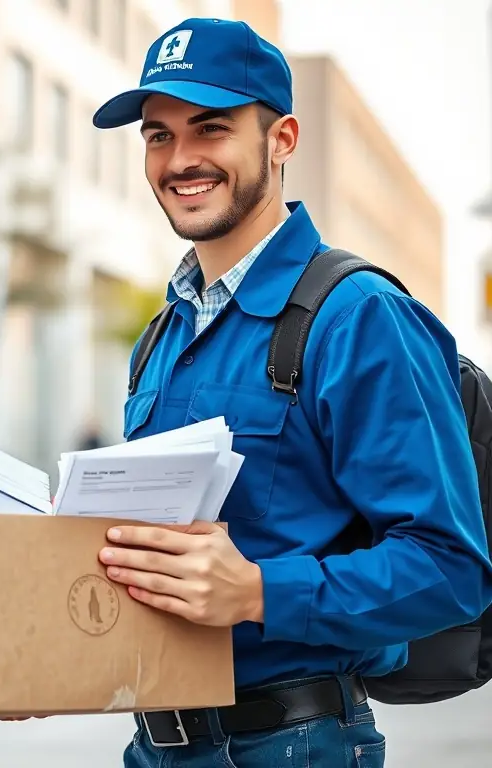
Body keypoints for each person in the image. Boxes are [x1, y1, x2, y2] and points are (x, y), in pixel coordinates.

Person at [85, 17, 492, 768]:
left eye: (211, 128)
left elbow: (451, 569)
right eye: (158, 136)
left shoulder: (358, 317)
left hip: (291, 746)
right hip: (154, 748)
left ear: (282, 140)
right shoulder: (162, 336)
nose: (181, 160)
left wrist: (258, 591)